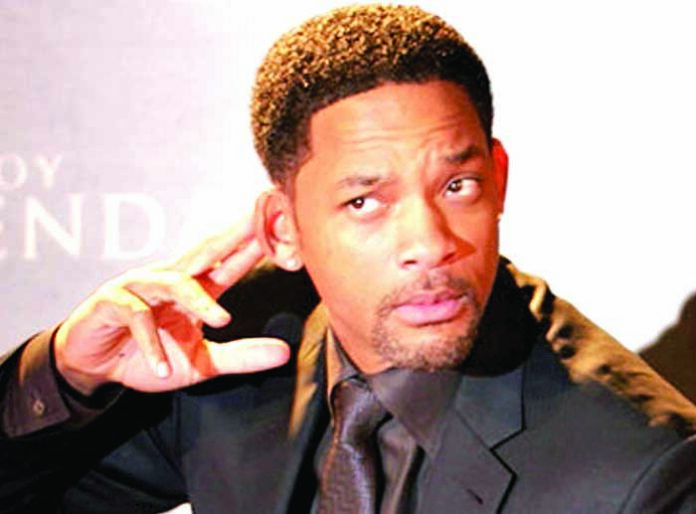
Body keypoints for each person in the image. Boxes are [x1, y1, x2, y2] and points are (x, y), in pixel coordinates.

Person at [1, 4, 696, 513]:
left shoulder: (640, 475)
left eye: (457, 186)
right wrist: (65, 374)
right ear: (284, 230)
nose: (430, 243)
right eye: (366, 201)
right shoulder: (235, 343)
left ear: (499, 179)